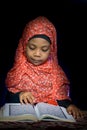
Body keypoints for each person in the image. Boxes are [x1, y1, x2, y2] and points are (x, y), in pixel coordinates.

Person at [5, 16, 84, 120]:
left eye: (44, 49)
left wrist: (69, 105)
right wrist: (19, 95)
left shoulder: (56, 74)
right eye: (32, 48)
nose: (37, 54)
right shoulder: (18, 71)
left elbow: (60, 97)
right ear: (24, 45)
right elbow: (8, 98)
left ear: (51, 50)